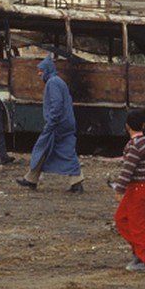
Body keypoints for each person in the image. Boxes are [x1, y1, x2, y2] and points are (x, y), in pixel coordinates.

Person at [16, 55, 84, 193]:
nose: (39, 73)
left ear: (47, 70)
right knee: (59, 150)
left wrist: (51, 122)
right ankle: (32, 178)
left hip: (58, 124)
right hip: (64, 123)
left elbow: (57, 105)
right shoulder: (58, 81)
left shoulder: (52, 83)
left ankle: (31, 179)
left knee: (43, 147)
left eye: (41, 70)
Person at [112, 110, 145, 273]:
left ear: (127, 126)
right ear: (143, 125)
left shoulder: (133, 145)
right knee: (123, 218)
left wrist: (119, 189)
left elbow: (128, 169)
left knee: (134, 223)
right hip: (144, 185)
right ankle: (140, 253)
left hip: (136, 187)